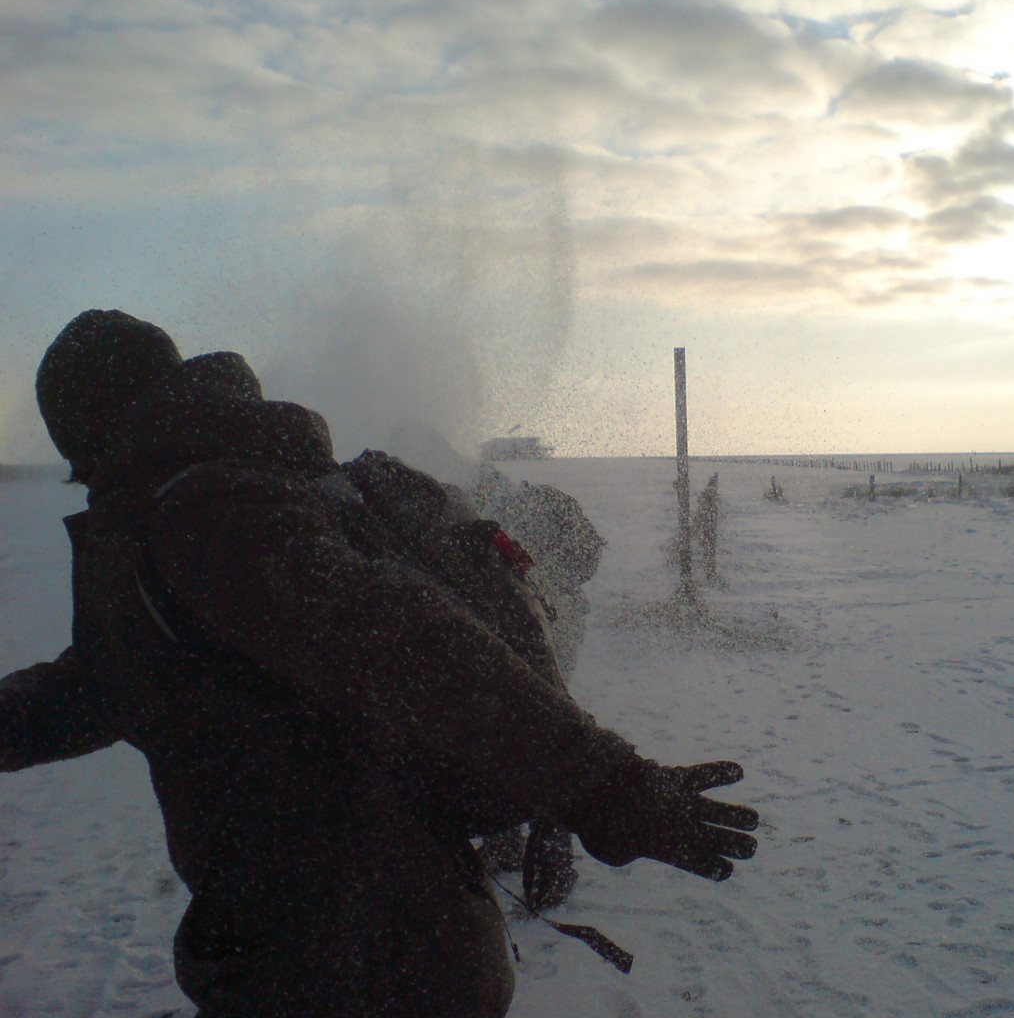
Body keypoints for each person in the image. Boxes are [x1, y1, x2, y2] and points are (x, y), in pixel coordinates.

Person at [0, 310, 758, 1018]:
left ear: (91, 426)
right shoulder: (179, 509)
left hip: (363, 960)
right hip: (309, 946)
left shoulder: (209, 512)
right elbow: (117, 679)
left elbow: (412, 645)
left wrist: (603, 786)